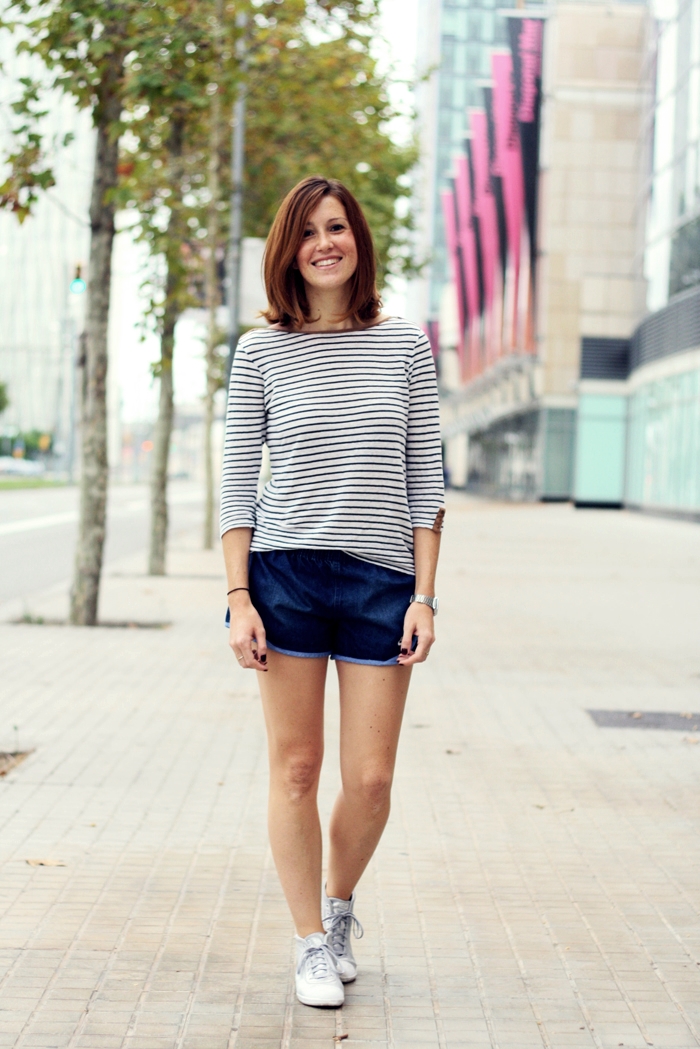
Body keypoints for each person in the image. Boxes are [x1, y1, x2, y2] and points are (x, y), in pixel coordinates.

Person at [220, 175, 444, 1008]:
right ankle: (309, 939)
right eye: (309, 230)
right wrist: (238, 597)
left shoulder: (405, 347)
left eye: (338, 226)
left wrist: (425, 596)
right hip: (285, 576)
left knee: (372, 778)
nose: (325, 242)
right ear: (288, 249)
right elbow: (236, 485)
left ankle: (340, 906)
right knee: (296, 768)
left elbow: (427, 481)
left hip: (383, 581)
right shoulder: (259, 352)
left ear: (359, 241)